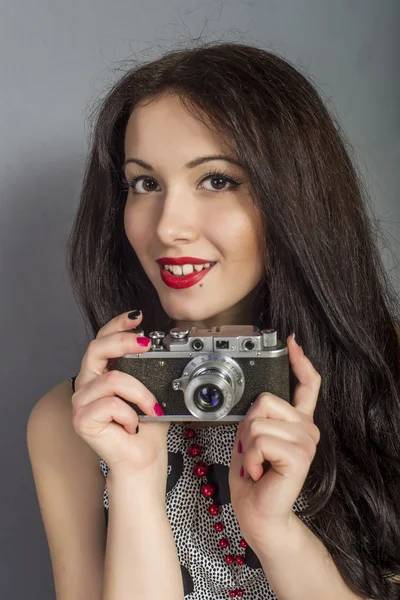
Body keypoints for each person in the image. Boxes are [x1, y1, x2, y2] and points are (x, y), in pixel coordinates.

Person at [27, 41, 400, 600]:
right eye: (144, 183)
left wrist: (277, 534)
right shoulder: (74, 422)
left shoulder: (387, 377)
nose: (169, 227)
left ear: (293, 195)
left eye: (217, 180)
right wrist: (135, 484)